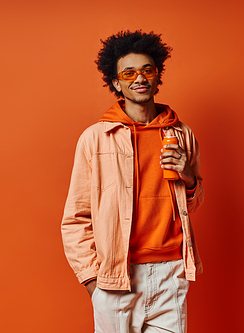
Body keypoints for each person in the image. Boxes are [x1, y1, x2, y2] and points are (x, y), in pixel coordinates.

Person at [61, 30, 204, 333]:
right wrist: (92, 282)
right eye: (129, 73)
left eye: (147, 70)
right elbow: (75, 218)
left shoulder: (182, 134)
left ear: (156, 76)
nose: (139, 78)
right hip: (117, 276)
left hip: (171, 273)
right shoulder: (95, 139)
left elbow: (193, 201)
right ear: (116, 83)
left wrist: (188, 177)